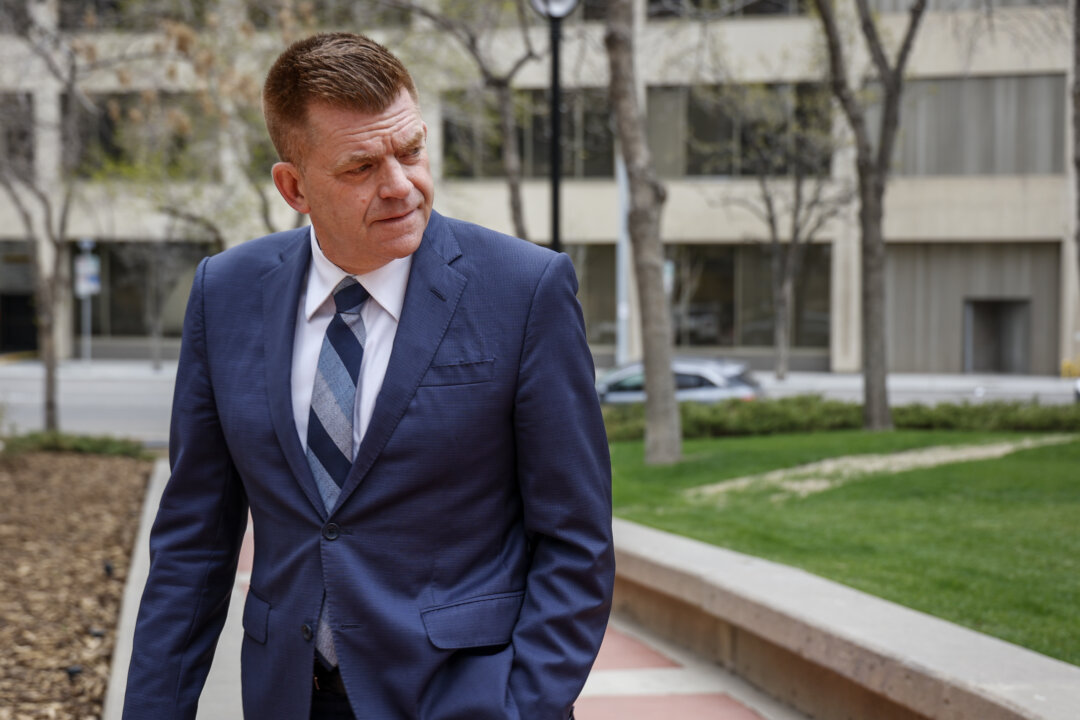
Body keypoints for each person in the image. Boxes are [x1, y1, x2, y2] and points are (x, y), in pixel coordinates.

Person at [122, 32, 614, 720]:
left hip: (466, 700)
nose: (400, 186)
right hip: (290, 699)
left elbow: (576, 540)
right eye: (361, 167)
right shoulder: (224, 293)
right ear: (294, 187)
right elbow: (193, 545)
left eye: (410, 151)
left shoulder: (526, 290)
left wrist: (519, 707)